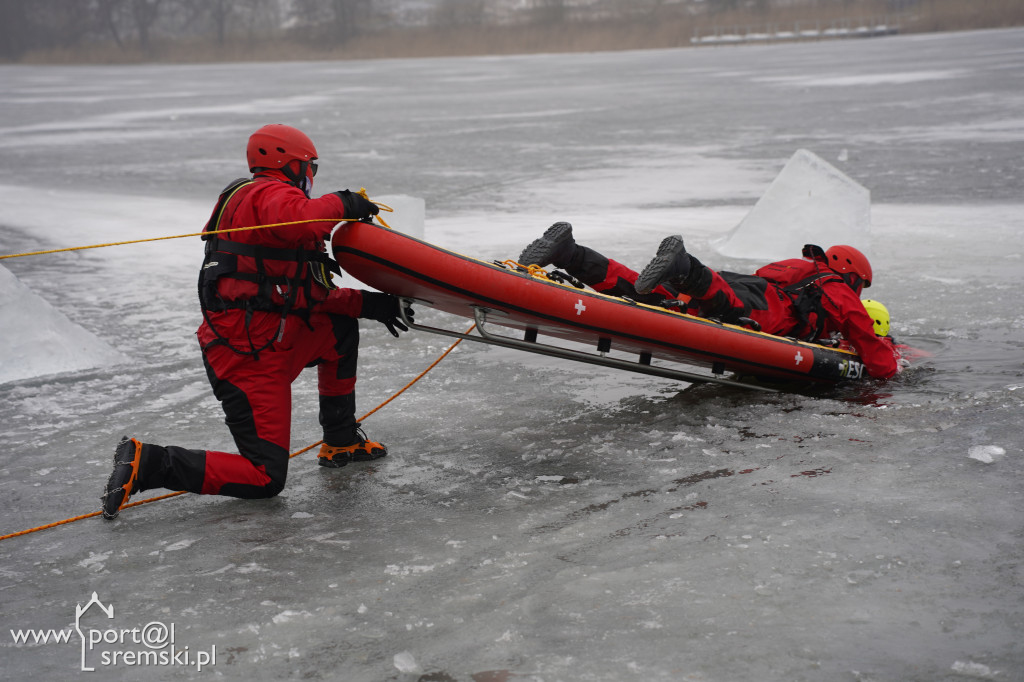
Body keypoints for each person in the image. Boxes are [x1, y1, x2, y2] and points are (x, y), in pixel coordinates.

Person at [102, 124, 413, 519]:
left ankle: (340, 441)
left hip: (275, 336)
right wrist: (344, 202)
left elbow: (306, 296)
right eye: (310, 166)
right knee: (264, 478)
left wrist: (369, 304)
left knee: (338, 331)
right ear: (290, 163)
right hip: (247, 357)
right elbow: (298, 220)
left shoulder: (266, 203)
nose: (311, 176)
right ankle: (151, 463)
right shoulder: (268, 194)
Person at [518, 222, 901, 380]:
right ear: (850, 272)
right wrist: (888, 374)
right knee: (730, 309)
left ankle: (568, 252)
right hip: (768, 307)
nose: (858, 294)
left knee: (644, 291)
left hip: (740, 283)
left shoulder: (797, 269)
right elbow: (862, 331)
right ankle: (683, 265)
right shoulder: (834, 284)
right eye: (860, 285)